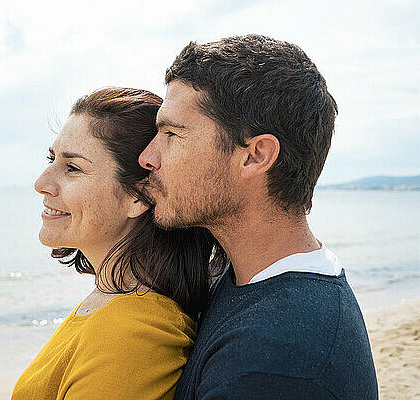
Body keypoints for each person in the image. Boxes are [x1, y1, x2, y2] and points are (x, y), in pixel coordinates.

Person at [138, 35, 379, 399]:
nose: (147, 157)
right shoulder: (249, 281)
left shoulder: (275, 363)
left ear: (255, 156)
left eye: (171, 133)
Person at [11, 87, 226, 400]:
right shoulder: (111, 299)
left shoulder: (132, 334)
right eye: (51, 158)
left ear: (137, 197)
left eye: (72, 167)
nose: (41, 183)